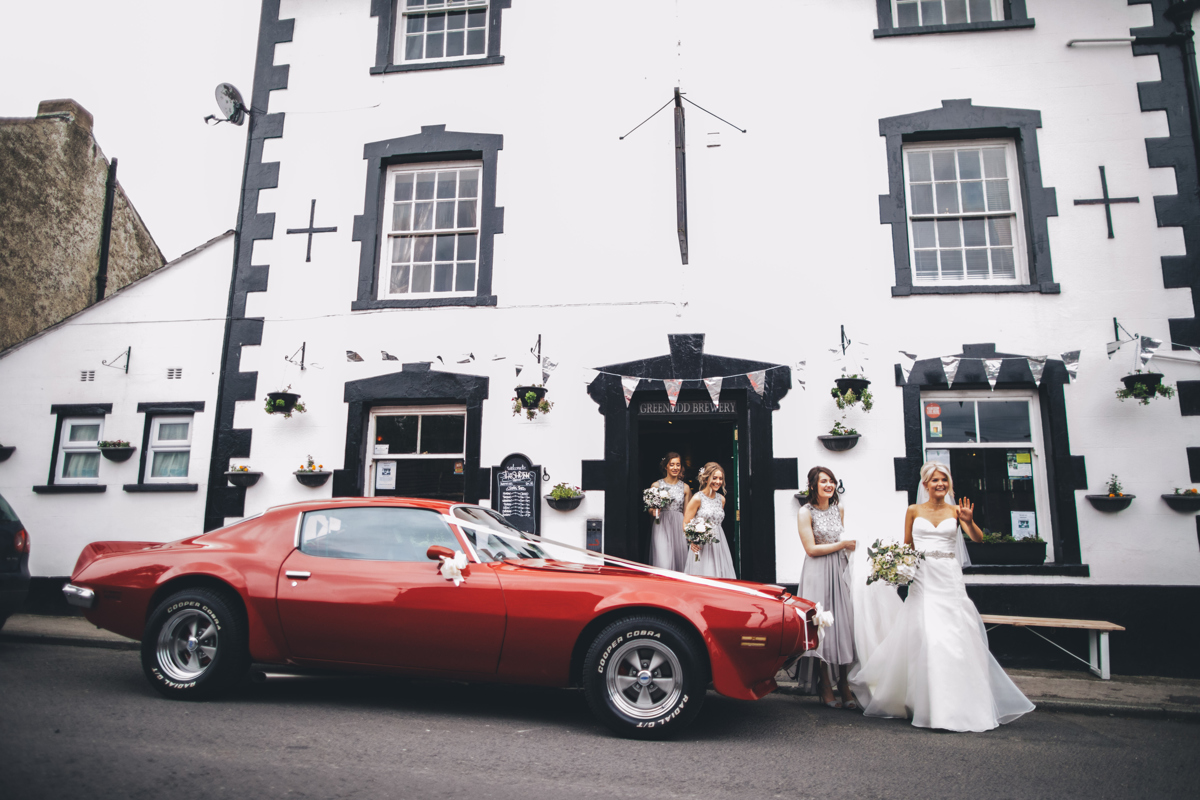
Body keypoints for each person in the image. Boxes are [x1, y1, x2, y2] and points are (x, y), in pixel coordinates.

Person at [848, 461, 1035, 732]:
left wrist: (970, 523)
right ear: (925, 485)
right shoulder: (913, 510)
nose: (940, 484)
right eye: (935, 480)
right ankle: (924, 702)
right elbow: (908, 545)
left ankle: (960, 705)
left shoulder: (956, 510)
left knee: (954, 635)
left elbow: (978, 539)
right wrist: (897, 566)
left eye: (944, 480)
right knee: (926, 635)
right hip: (923, 578)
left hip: (948, 577)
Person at [794, 466, 857, 709]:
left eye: (831, 481)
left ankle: (844, 683)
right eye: (823, 481)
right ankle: (825, 683)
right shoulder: (804, 512)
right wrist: (842, 544)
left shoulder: (838, 508)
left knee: (842, 622)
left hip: (839, 570)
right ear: (813, 486)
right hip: (817, 571)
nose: (829, 485)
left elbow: (843, 538)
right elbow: (811, 549)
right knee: (821, 626)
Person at [681, 462, 736, 579]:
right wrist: (692, 540)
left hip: (719, 542)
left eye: (720, 479)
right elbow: (686, 523)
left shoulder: (722, 499)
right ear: (706, 479)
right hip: (702, 544)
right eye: (714, 478)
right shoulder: (697, 498)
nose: (718, 481)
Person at [648, 452, 691, 572]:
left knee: (679, 562)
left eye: (678, 465)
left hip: (678, 526)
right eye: (672, 464)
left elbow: (687, 514)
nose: (675, 468)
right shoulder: (656, 486)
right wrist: (654, 511)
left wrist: (689, 535)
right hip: (661, 525)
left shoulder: (685, 488)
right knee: (663, 561)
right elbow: (650, 510)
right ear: (666, 466)